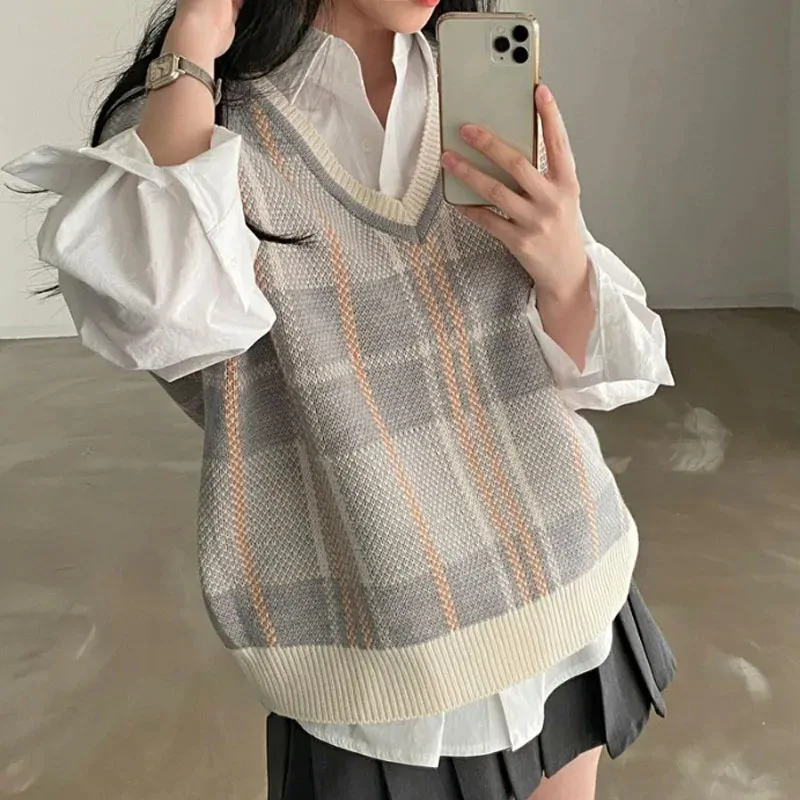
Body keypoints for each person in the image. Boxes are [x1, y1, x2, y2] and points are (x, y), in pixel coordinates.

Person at [3, 0, 677, 798]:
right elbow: (166, 325)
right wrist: (194, 44)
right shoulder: (195, 121)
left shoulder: (476, 90)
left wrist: (565, 264)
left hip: (564, 581)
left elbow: (601, 372)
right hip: (371, 647)